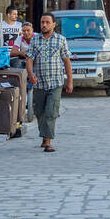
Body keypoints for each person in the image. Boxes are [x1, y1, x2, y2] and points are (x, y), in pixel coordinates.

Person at [28, 13, 72, 152]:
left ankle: (48, 142)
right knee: (39, 112)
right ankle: (44, 136)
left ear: (54, 24)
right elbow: (30, 59)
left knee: (51, 112)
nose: (44, 25)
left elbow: (66, 61)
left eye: (47, 22)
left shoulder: (61, 40)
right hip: (39, 83)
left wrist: (70, 81)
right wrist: (31, 74)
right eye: (42, 22)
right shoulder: (35, 40)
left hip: (56, 83)